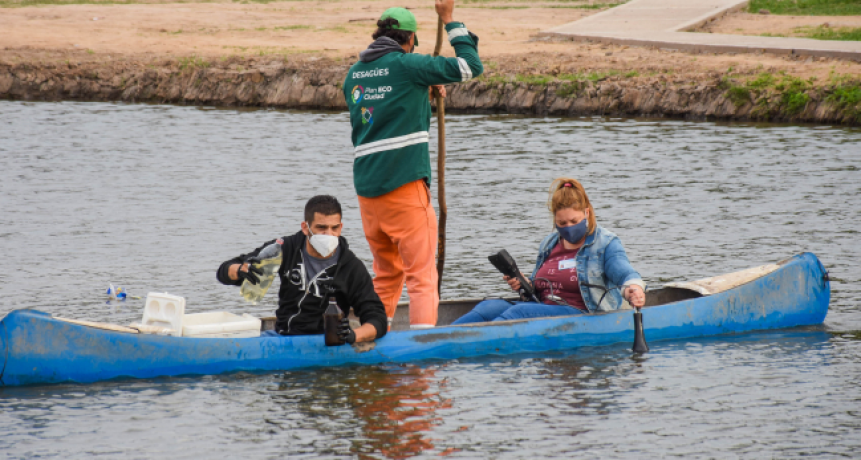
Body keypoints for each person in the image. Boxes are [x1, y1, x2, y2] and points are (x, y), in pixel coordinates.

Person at [343, 0, 483, 330]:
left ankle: (372, 335)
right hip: (403, 186)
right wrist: (449, 20)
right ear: (409, 40)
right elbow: (470, 66)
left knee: (387, 274)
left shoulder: (354, 74)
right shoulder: (408, 65)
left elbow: (385, 108)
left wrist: (424, 91)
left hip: (367, 193)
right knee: (421, 276)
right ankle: (422, 349)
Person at [452, 178, 646, 324]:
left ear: (586, 213)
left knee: (518, 313)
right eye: (562, 223)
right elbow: (538, 286)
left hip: (583, 314)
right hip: (544, 308)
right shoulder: (549, 243)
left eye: (574, 221)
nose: (568, 227)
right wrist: (524, 283)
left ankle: (471, 342)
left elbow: (626, 275)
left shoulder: (606, 243)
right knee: (488, 306)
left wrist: (634, 290)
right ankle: (442, 336)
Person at [216, 195, 387, 344]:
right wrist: (239, 270)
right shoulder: (284, 247)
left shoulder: (351, 266)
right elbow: (224, 271)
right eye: (321, 228)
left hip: (326, 341)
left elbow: (377, 318)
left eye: (334, 228)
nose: (329, 234)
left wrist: (353, 336)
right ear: (305, 227)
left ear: (340, 228)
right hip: (283, 337)